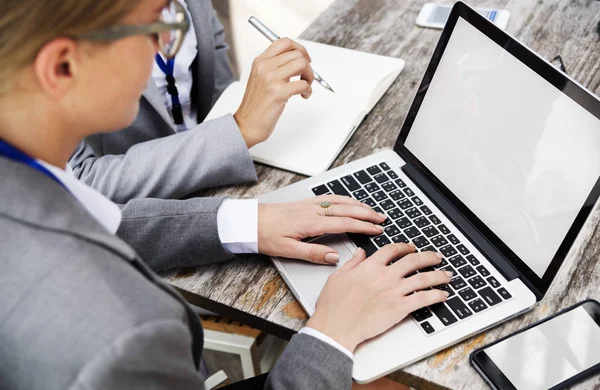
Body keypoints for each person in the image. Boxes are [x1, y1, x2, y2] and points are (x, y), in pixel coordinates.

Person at [0, 0, 452, 388]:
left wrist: (242, 221)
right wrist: (332, 334)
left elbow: (96, 215)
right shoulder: (123, 341)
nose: (165, 46)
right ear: (63, 66)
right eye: (154, 23)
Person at [69, 0, 358, 272]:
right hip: (143, 236)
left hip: (228, 181)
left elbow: (216, 74)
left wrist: (245, 119)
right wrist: (238, 130)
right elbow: (76, 187)